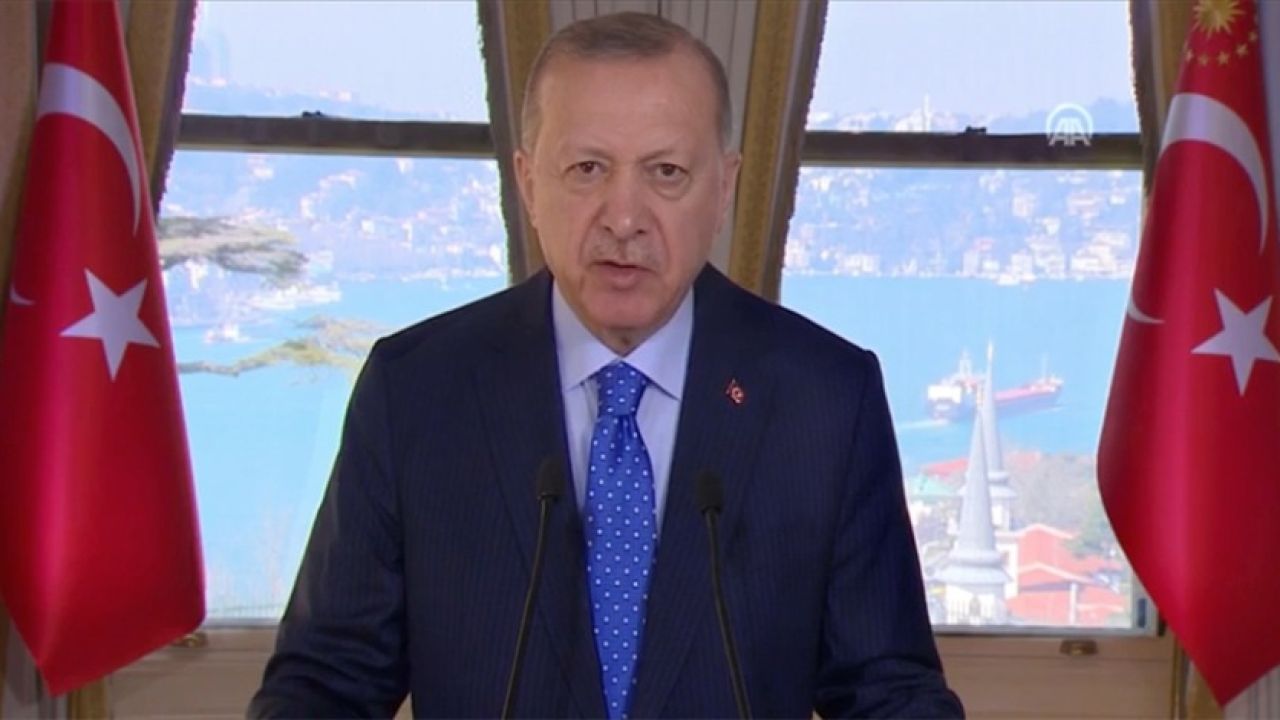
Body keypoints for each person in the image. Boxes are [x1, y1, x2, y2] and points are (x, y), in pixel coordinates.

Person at [249, 11, 963, 719]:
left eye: (666, 172)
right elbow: (325, 684)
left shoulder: (824, 399)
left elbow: (889, 692)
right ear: (529, 183)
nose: (624, 218)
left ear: (724, 189)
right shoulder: (416, 391)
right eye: (587, 169)